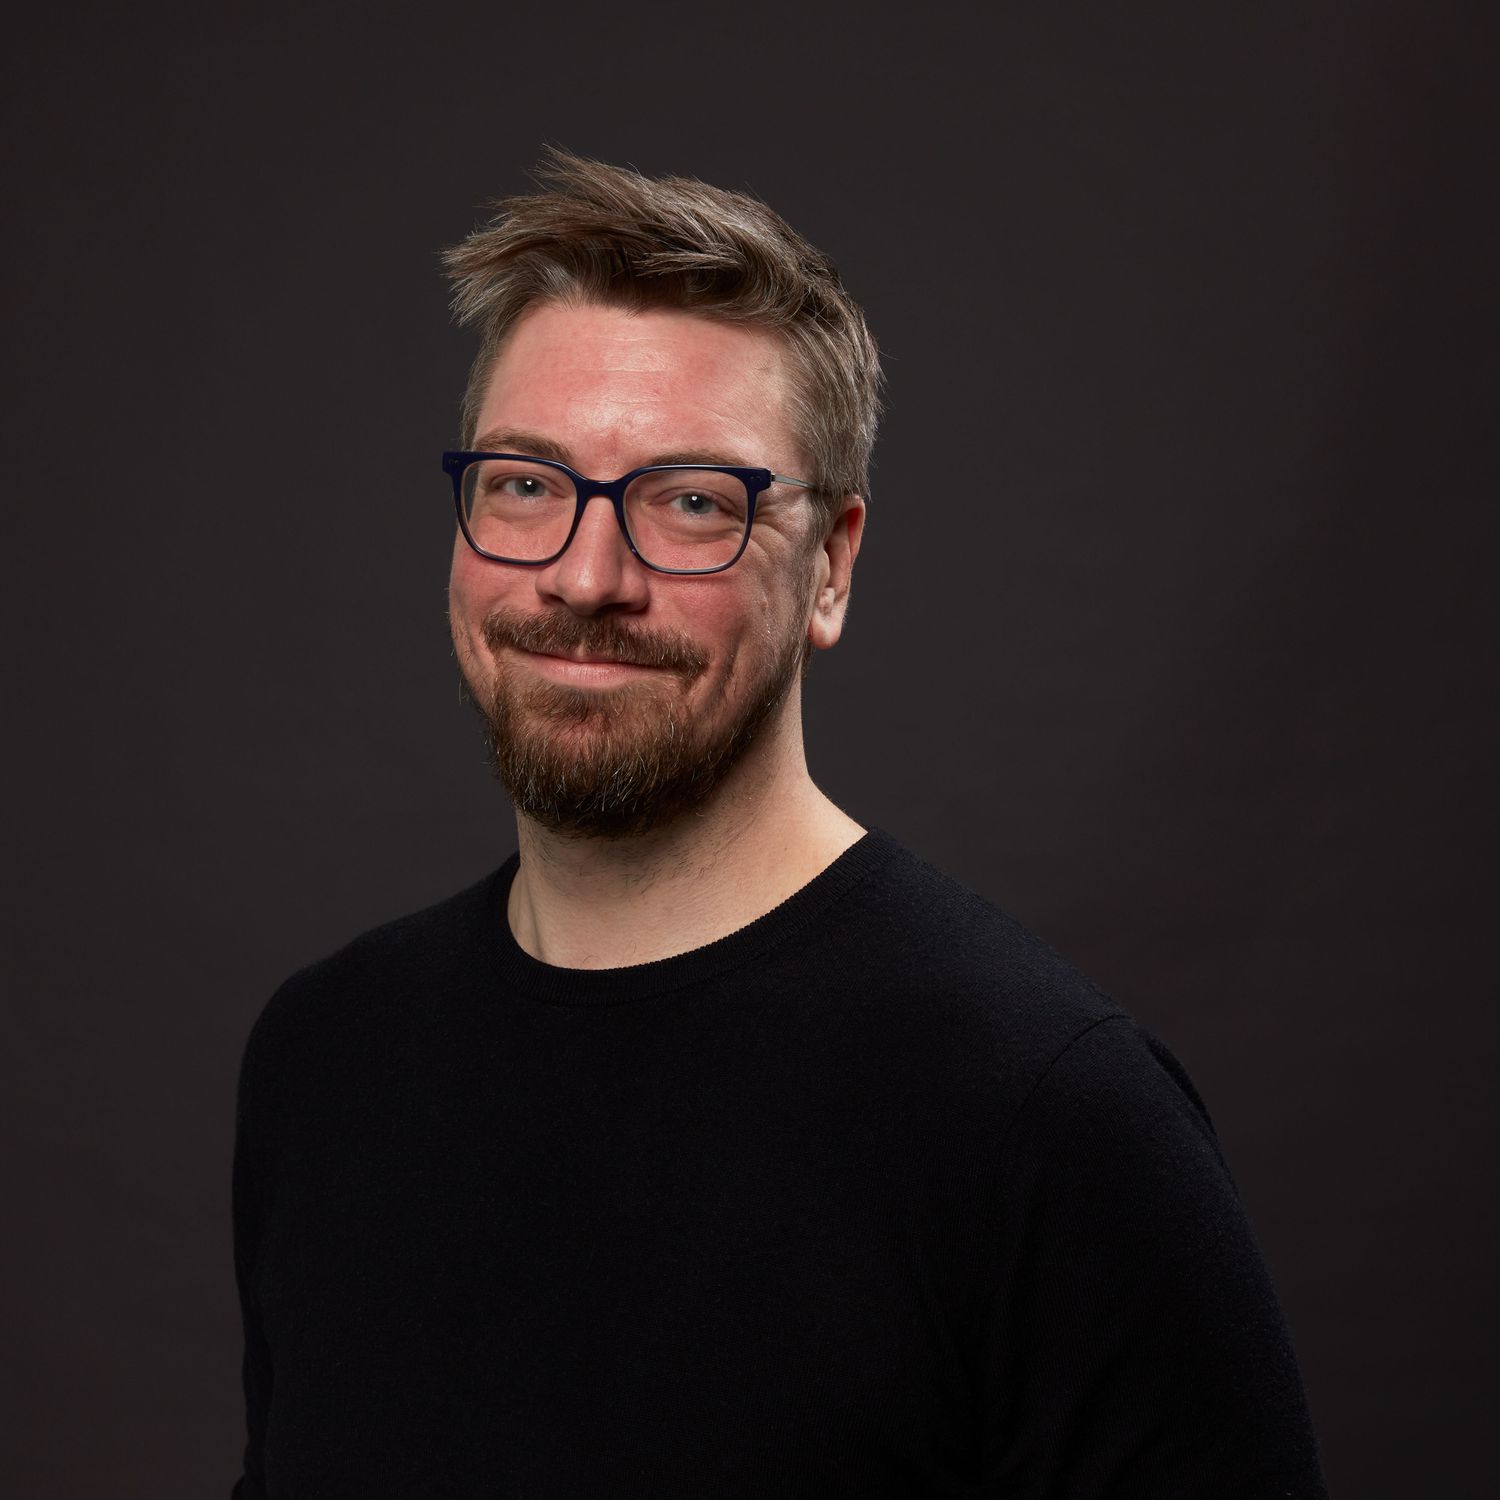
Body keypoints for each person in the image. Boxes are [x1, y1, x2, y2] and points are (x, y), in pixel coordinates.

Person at [231, 149, 1329, 1498]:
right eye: (525, 483)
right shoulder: (326, 1058)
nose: (585, 577)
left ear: (832, 565)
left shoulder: (1048, 1116)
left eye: (692, 504)